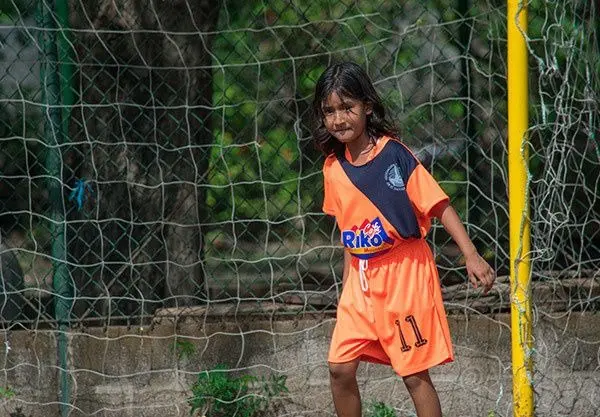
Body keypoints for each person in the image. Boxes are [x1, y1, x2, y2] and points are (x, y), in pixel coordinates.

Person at [312, 61, 495, 417]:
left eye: (347, 107)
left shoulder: (394, 155)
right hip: (361, 281)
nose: (338, 119)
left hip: (404, 274)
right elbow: (348, 234)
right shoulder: (332, 168)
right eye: (329, 111)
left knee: (413, 374)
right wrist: (346, 292)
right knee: (339, 368)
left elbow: (439, 205)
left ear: (367, 106)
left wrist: (471, 255)